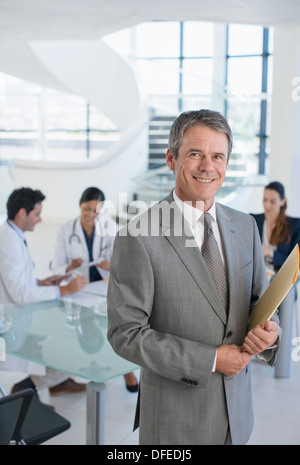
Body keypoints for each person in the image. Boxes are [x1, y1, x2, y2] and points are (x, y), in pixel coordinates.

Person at [107, 109, 280, 445]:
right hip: (176, 423)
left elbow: (260, 305)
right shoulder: (138, 236)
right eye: (195, 154)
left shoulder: (245, 226)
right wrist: (213, 359)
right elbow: (125, 334)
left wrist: (270, 336)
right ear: (172, 159)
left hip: (238, 417)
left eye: (218, 156)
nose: (208, 166)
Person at [0, 187, 88, 397]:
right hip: (12, 324)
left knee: (67, 333)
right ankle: (27, 389)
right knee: (70, 339)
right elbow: (20, 295)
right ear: (22, 213)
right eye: (37, 214)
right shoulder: (9, 242)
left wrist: (42, 282)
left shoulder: (13, 234)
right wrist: (63, 289)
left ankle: (47, 384)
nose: (40, 219)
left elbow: (17, 282)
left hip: (18, 314)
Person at [52, 186, 138, 393]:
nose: (91, 214)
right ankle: (74, 372)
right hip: (78, 289)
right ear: (80, 205)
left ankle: (126, 370)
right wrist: (70, 266)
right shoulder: (65, 230)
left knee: (114, 326)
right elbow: (56, 265)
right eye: (87, 209)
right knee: (85, 329)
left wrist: (110, 265)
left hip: (103, 287)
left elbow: (123, 261)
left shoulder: (110, 227)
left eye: (96, 211)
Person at [250, 181, 300, 274]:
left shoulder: (294, 225)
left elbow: (295, 264)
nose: (267, 205)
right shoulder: (253, 220)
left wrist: (270, 252)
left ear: (282, 201)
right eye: (265, 200)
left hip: (280, 281)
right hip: (256, 279)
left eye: (272, 201)